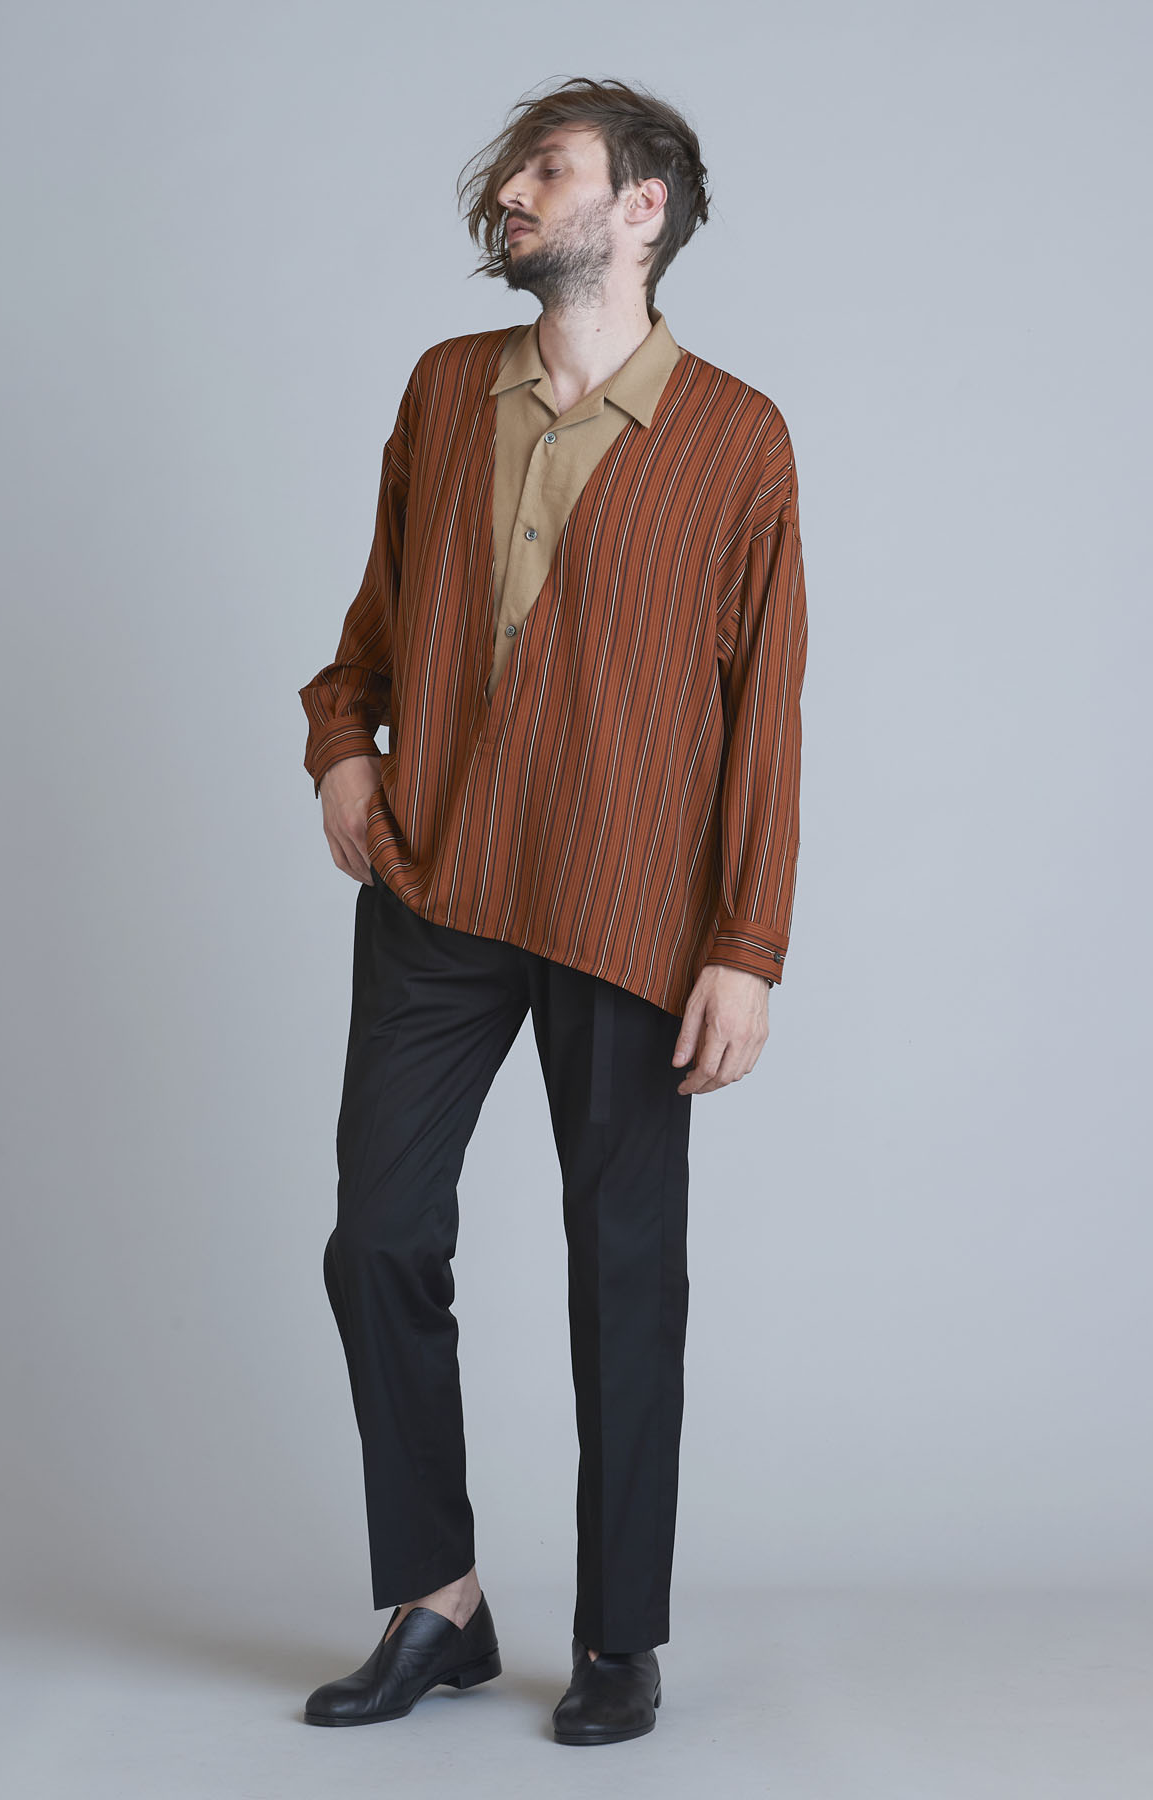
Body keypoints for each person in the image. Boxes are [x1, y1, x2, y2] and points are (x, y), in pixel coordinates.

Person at [298, 76, 807, 1747]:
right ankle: (438, 1603)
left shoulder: (735, 438)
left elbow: (766, 712)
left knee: (624, 1274)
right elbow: (378, 614)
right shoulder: (450, 389)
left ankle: (617, 1638)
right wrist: (344, 745)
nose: (512, 191)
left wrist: (745, 947)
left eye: (550, 168)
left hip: (627, 904)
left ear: (641, 209)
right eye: (515, 168)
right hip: (438, 879)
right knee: (379, 1234)